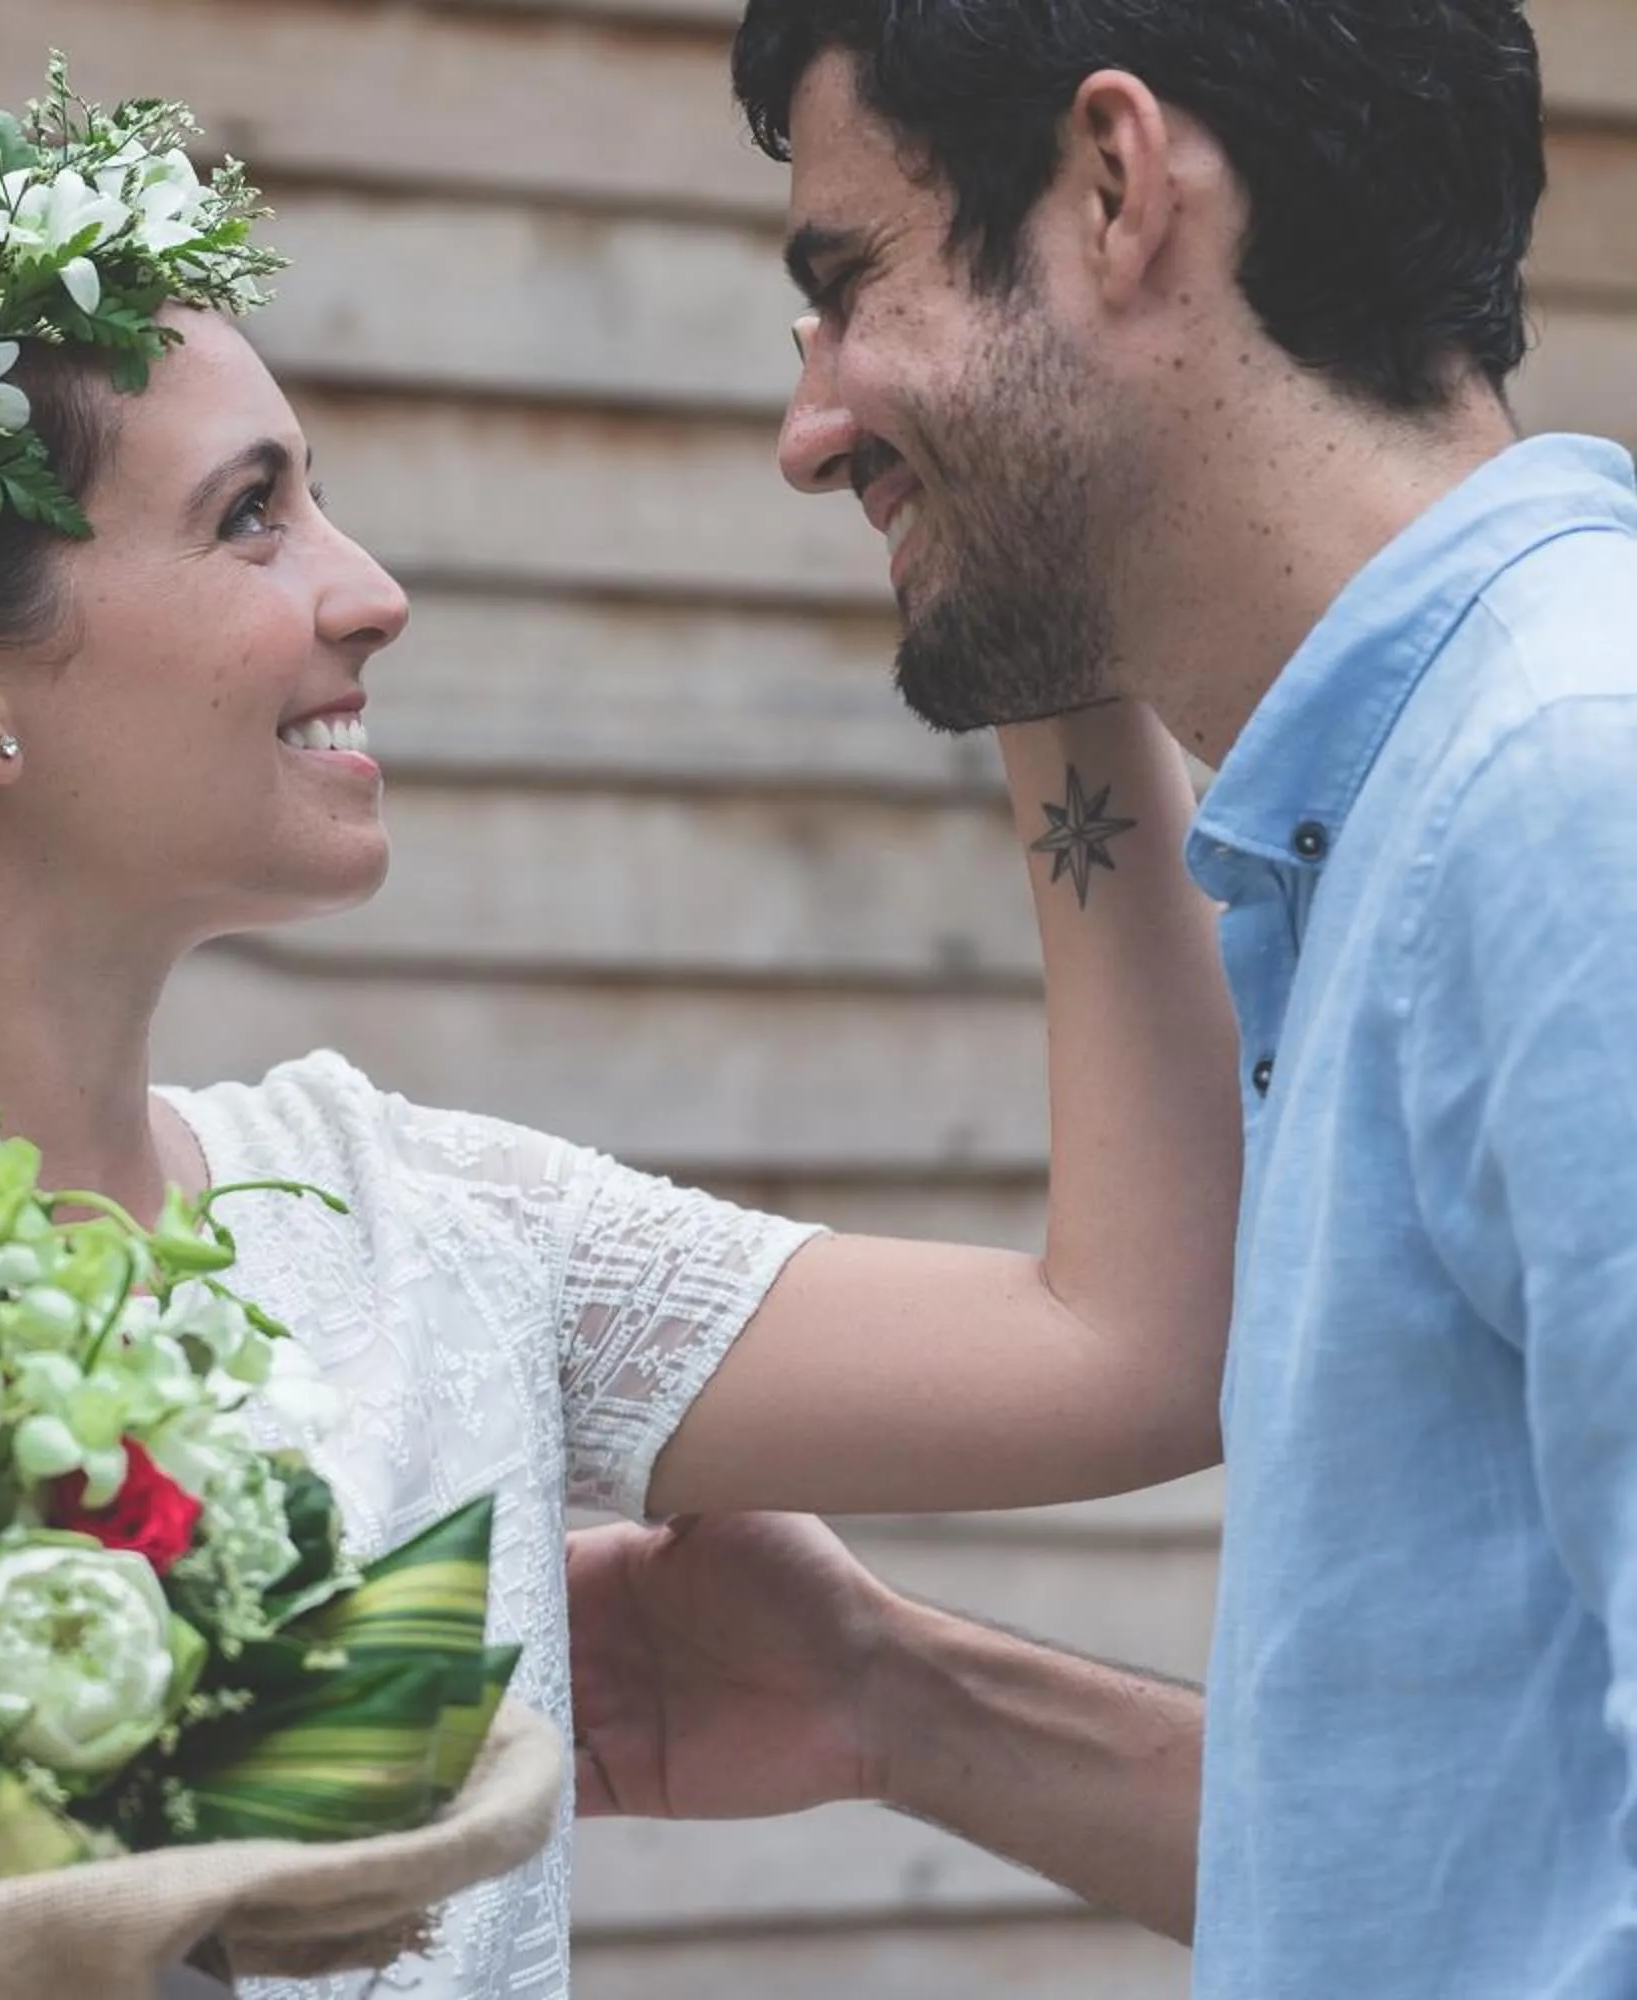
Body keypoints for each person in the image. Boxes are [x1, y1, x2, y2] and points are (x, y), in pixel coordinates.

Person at [0, 74, 1243, 2000]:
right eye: (255, 518)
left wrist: (1036, 628)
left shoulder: (429, 1232)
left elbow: (1134, 1349)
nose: (373, 591)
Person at [571, 3, 1637, 1996]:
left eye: (844, 282)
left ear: (1117, 185)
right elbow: (1469, 1870)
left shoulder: (1566, 790)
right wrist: (898, 1697)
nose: (808, 428)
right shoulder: (1404, 816)